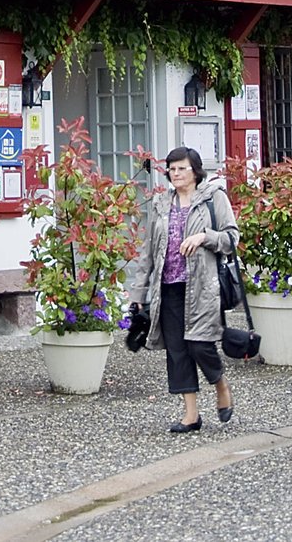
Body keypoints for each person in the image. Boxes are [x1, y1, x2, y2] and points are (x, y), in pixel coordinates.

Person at [127, 146, 238, 434]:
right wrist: (138, 296)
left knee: (200, 344)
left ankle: (220, 384)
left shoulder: (213, 198)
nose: (175, 174)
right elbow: (148, 252)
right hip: (168, 287)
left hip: (202, 286)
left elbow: (231, 238)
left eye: (181, 169)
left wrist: (204, 237)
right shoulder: (161, 204)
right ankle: (191, 415)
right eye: (171, 169)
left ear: (196, 171)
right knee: (177, 350)